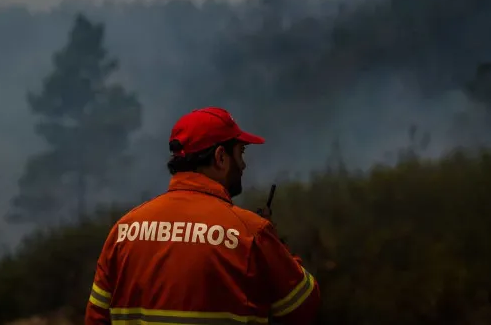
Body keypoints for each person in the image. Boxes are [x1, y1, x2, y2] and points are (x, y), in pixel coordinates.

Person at [84, 107, 321, 324]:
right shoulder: (251, 233)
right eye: (241, 153)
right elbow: (304, 307)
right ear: (220, 157)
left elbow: (96, 318)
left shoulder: (124, 229)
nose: (244, 165)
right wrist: (277, 248)